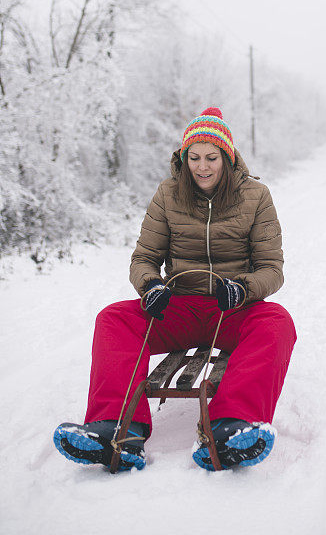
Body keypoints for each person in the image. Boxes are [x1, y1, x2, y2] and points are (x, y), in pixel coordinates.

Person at [53, 107, 297, 472]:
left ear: (227, 158)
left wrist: (242, 289)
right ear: (183, 160)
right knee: (114, 318)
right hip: (180, 307)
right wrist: (150, 285)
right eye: (194, 158)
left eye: (212, 157)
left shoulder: (256, 196)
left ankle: (231, 425)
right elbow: (144, 258)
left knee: (277, 321)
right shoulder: (168, 194)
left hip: (231, 307)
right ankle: (118, 429)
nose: (202, 167)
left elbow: (271, 269)